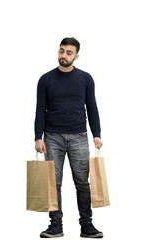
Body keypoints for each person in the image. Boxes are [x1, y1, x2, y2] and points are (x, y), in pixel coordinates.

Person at [34, 37, 103, 238]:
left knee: (82, 182)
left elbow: (92, 107)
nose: (64, 55)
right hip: (52, 137)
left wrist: (96, 134)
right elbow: (39, 110)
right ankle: (56, 225)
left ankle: (86, 225)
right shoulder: (45, 79)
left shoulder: (86, 78)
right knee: (53, 182)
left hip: (79, 136)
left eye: (69, 52)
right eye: (61, 51)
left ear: (76, 56)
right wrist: (38, 137)